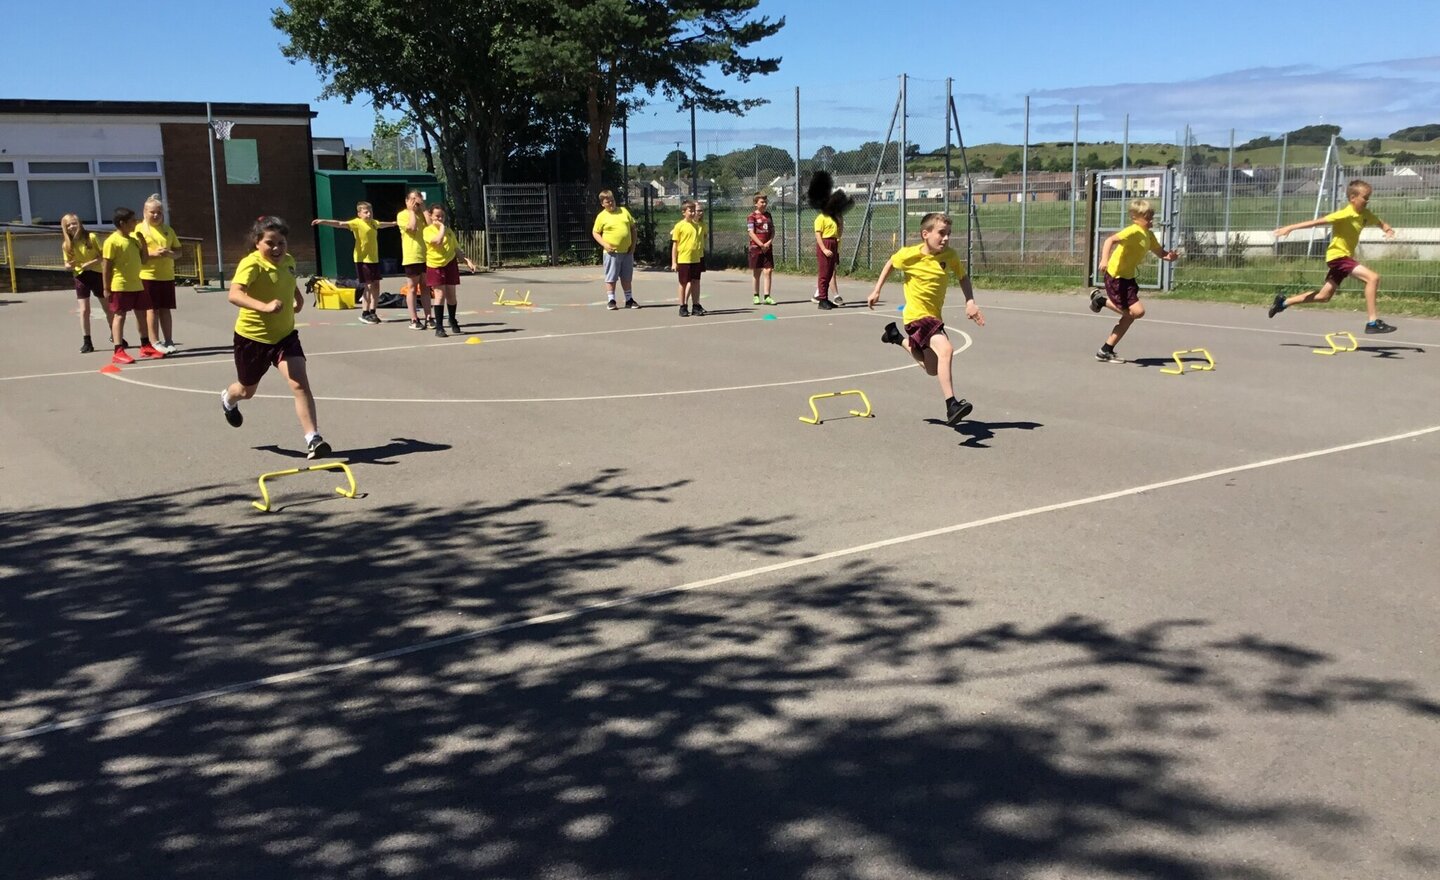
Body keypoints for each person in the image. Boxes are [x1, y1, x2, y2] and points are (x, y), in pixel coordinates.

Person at [220, 216, 332, 460]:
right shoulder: (251, 264)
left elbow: (288, 280)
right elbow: (235, 294)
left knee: (299, 383)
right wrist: (264, 306)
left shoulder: (289, 261)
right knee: (246, 390)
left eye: (281, 242)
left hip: (285, 336)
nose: (277, 248)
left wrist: (298, 298)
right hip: (252, 338)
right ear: (257, 243)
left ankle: (313, 438)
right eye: (270, 243)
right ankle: (228, 399)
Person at [866, 212, 985, 426]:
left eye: (948, 233)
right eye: (941, 233)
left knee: (932, 369)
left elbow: (962, 277)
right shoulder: (909, 255)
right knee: (946, 349)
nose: (946, 238)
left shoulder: (950, 256)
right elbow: (891, 263)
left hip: (934, 318)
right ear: (925, 234)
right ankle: (952, 405)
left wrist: (970, 301)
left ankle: (895, 337)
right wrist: (876, 291)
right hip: (916, 317)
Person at [1270, 179, 1398, 333]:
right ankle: (1372, 323)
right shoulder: (1344, 214)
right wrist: (1290, 228)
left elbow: (1380, 223)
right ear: (1352, 198)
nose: (1367, 201)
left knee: (1324, 296)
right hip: (1338, 257)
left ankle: (1283, 303)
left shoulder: (1365, 214)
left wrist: (1388, 230)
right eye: (1365, 197)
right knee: (1373, 278)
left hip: (1344, 258)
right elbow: (1317, 222)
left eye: (1368, 197)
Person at [1087, 198, 1177, 362]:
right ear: (1135, 218)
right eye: (1147, 217)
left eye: (1152, 216)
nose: (1151, 220)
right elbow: (1110, 240)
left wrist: (1169, 256)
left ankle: (1105, 350)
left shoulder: (1148, 235)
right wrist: (1104, 260)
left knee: (1129, 317)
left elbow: (1160, 252)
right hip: (1116, 277)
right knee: (1137, 312)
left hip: (1128, 278)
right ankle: (1100, 300)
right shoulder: (1133, 231)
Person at [312, 201, 397, 325]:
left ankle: (373, 311)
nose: (369, 214)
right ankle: (365, 313)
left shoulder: (374, 223)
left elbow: (383, 224)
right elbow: (340, 224)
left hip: (374, 259)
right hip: (362, 259)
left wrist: (394, 224)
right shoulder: (356, 223)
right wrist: (323, 221)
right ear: (359, 214)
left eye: (370, 212)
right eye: (365, 212)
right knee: (368, 285)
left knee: (376, 285)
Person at [101, 207, 160, 364]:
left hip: (137, 284)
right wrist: (106, 287)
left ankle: (145, 345)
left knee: (141, 314)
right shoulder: (112, 241)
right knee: (120, 315)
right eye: (133, 221)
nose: (136, 223)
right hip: (120, 285)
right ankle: (118, 349)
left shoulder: (133, 240)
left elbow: (144, 260)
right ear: (122, 223)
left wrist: (143, 243)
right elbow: (106, 265)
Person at [136, 195, 183, 353]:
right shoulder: (139, 230)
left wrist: (169, 253)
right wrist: (154, 254)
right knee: (152, 309)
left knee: (165, 309)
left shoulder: (168, 230)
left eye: (159, 212)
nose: (156, 215)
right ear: (145, 212)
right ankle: (154, 340)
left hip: (166, 275)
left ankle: (169, 340)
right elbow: (136, 252)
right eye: (152, 212)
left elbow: (178, 252)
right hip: (148, 275)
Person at [424, 204, 477, 337]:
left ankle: (452, 320)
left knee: (451, 295)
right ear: (431, 216)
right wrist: (441, 228)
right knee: (439, 295)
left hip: (450, 264)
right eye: (437, 216)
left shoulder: (449, 231)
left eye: (442, 216)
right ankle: (439, 327)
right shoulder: (428, 230)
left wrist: (467, 260)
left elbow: (456, 249)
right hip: (435, 265)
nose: (440, 218)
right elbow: (438, 241)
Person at [60, 213, 108, 353]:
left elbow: (102, 257)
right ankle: (87, 341)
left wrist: (90, 263)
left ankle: (117, 336)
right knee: (84, 310)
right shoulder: (66, 245)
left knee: (107, 307)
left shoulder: (91, 237)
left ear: (79, 223)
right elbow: (67, 264)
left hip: (97, 274)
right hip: (80, 276)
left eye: (74, 223)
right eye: (68, 225)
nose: (72, 227)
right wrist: (69, 266)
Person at [808, 170, 851, 309]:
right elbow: (818, 235)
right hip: (825, 243)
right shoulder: (821, 218)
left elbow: (839, 229)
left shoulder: (833, 218)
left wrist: (837, 242)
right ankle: (822, 300)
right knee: (824, 273)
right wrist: (824, 248)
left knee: (830, 271)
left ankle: (824, 298)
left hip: (833, 242)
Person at [591, 189, 639, 310]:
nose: (611, 204)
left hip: (627, 251)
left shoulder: (624, 211)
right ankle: (611, 300)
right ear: (603, 204)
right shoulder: (602, 216)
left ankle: (629, 299)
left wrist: (633, 246)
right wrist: (605, 245)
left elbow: (633, 229)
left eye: (612, 201)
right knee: (611, 276)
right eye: (608, 202)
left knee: (627, 277)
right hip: (612, 252)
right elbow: (595, 232)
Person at [396, 190, 431, 330]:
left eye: (418, 201)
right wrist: (411, 211)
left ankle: (429, 317)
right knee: (412, 288)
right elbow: (412, 227)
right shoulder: (402, 215)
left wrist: (423, 209)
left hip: (426, 255)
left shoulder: (423, 214)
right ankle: (414, 318)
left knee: (426, 287)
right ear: (407, 201)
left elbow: (431, 227)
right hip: (412, 255)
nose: (416, 204)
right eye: (413, 200)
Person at [670, 199, 706, 316]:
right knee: (683, 283)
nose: (692, 213)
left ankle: (696, 305)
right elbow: (675, 245)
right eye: (690, 211)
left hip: (696, 258)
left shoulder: (697, 226)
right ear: (683, 212)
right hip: (684, 259)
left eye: (693, 211)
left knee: (695, 282)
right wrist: (674, 262)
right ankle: (682, 306)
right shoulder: (679, 226)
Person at [746, 192, 776, 305]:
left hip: (767, 247)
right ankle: (756, 295)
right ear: (755, 203)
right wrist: (761, 244)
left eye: (765, 202)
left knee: (768, 271)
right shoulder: (751, 216)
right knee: (757, 271)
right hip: (756, 248)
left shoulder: (768, 215)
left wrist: (769, 242)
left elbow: (772, 230)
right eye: (761, 202)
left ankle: (767, 296)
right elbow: (751, 232)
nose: (764, 204)